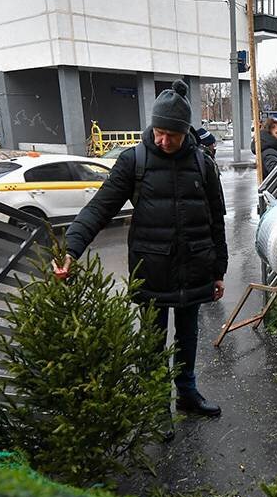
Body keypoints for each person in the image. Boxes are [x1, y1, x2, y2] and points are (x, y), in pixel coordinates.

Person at [55, 80, 228, 419]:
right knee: (152, 343)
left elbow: (216, 221)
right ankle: (156, 405)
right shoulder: (134, 161)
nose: (163, 141)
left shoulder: (203, 165)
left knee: (188, 337)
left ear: (185, 132)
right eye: (158, 132)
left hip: (194, 268)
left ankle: (187, 393)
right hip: (151, 272)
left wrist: (218, 271)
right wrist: (70, 250)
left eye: (171, 135)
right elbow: (98, 208)